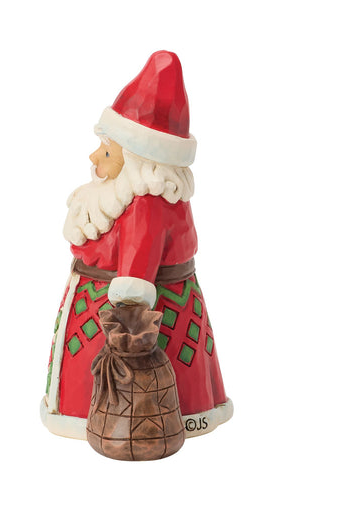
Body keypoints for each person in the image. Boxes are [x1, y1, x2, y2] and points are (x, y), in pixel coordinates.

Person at [41, 50, 233, 440]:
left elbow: (135, 277)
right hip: (110, 303)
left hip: (123, 317)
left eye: (107, 151)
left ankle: (110, 420)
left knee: (117, 388)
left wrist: (127, 331)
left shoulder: (146, 204)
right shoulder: (128, 195)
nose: (94, 157)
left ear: (137, 163)